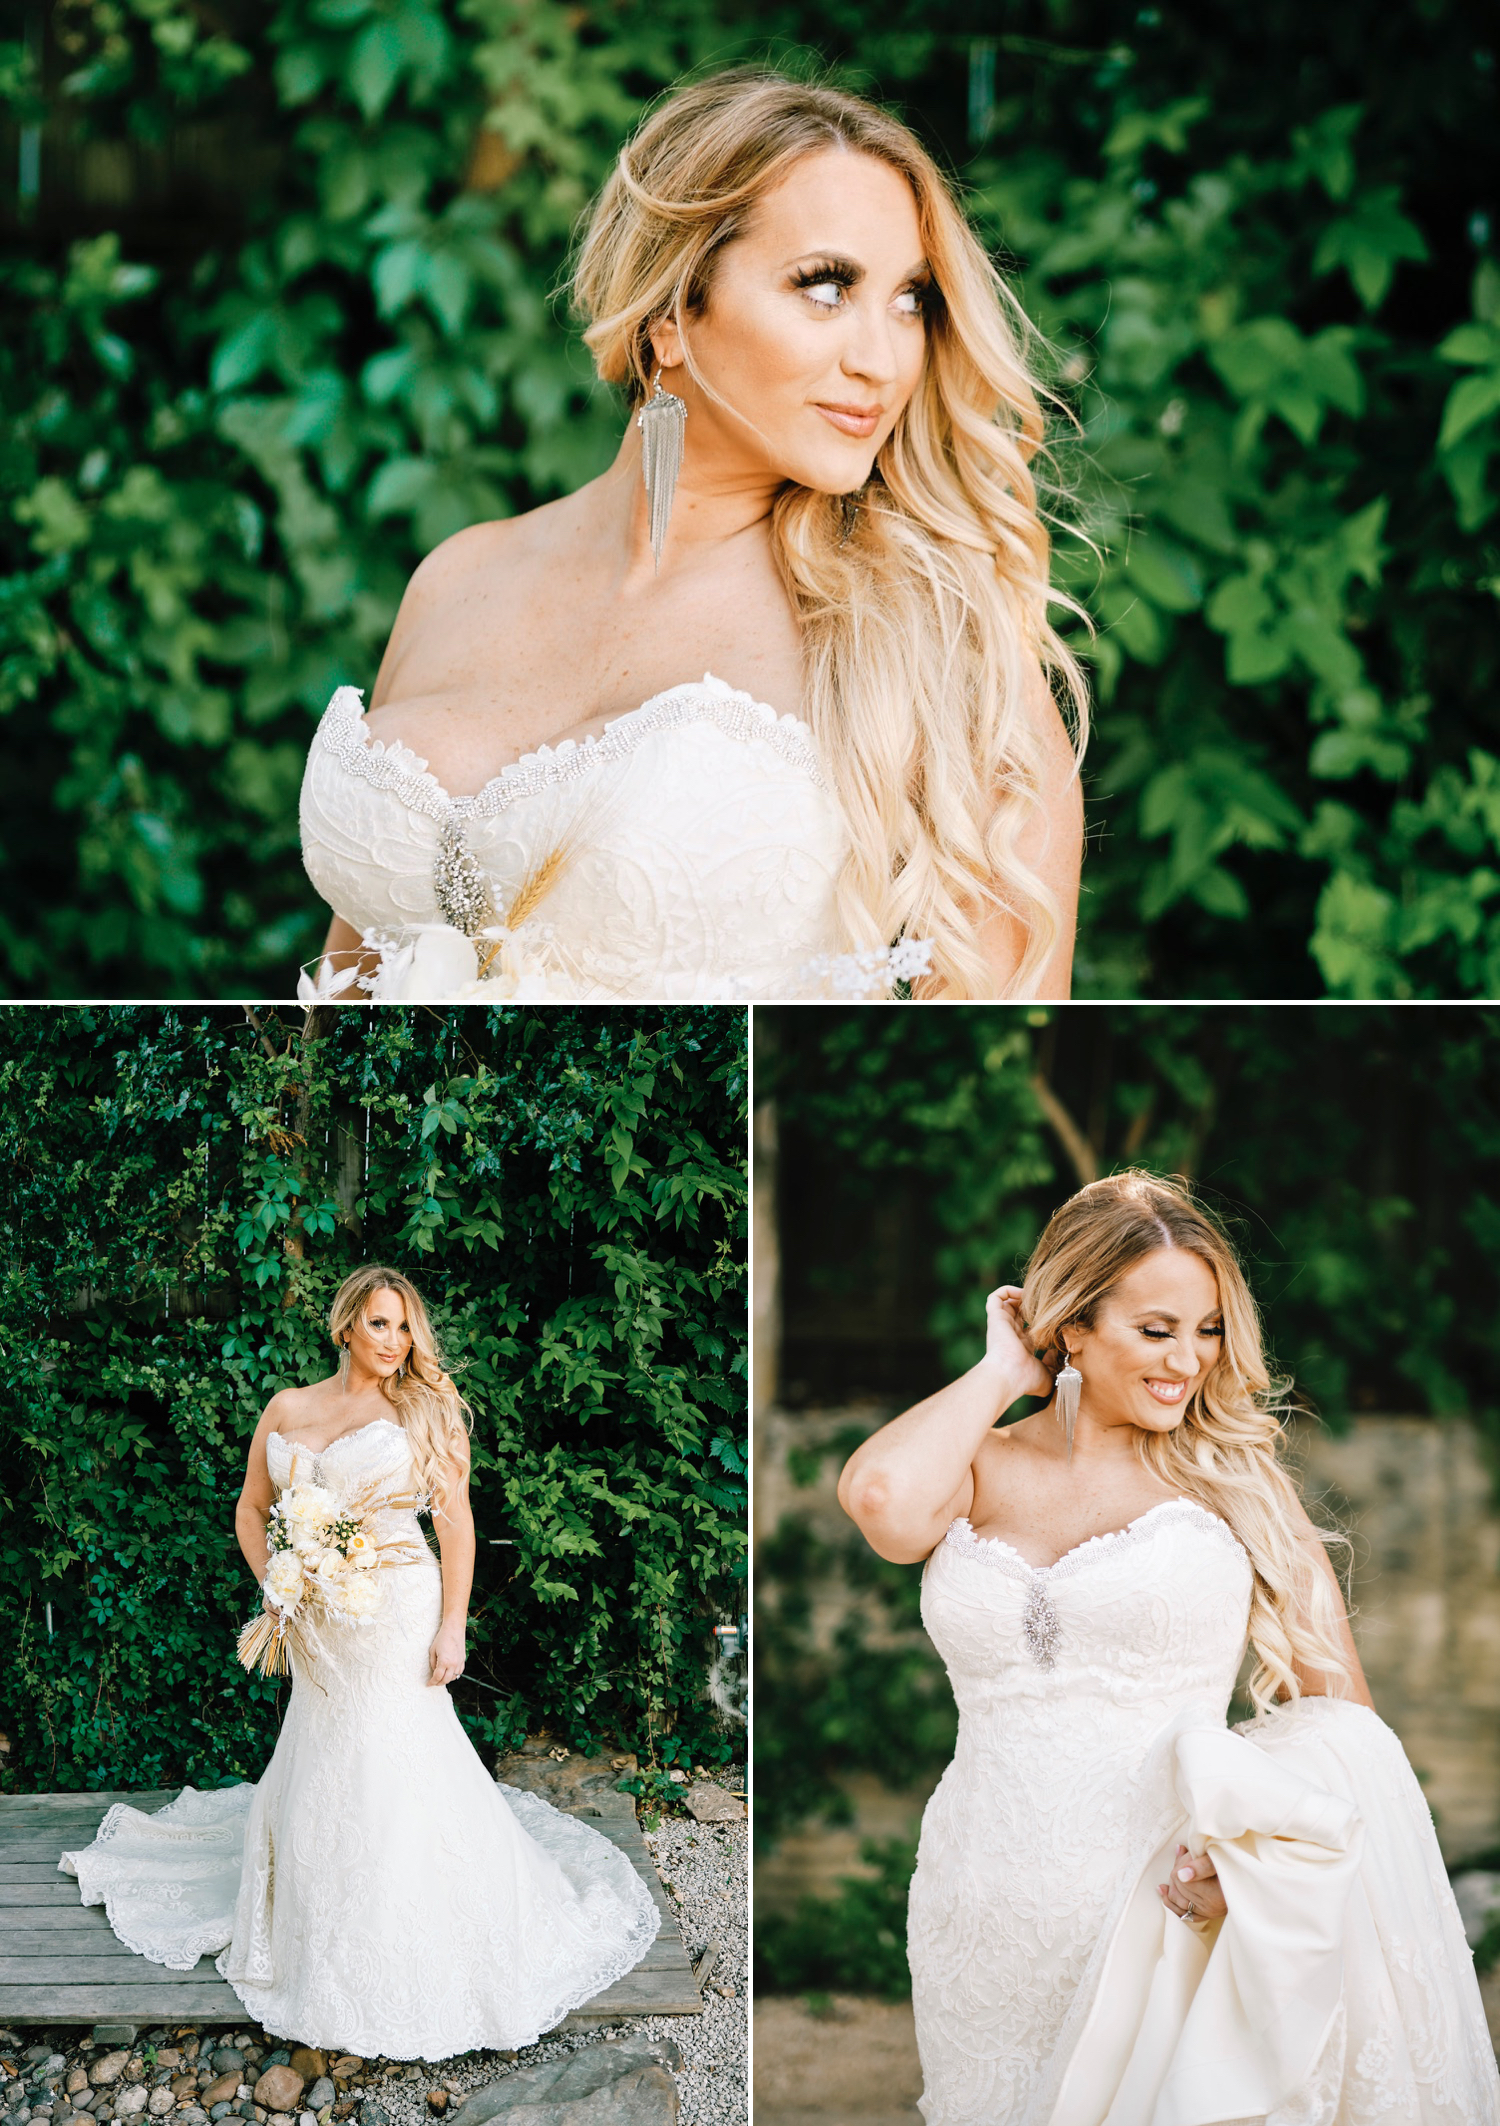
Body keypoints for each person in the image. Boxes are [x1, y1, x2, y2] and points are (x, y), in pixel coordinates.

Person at [298, 67, 1085, 1006]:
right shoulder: (456, 577)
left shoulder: (936, 638)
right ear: (671, 312)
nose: (881, 359)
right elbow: (348, 982)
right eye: (827, 287)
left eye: (910, 300)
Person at [837, 1172, 1499, 2126]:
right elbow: (880, 1506)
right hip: (981, 1904)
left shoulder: (1236, 1480)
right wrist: (997, 1375)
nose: (1188, 1360)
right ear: (1073, 1327)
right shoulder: (980, 1465)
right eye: (1157, 1330)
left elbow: (1343, 1718)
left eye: (1209, 1329)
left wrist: (1254, 1857)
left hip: (1167, 1901)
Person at [59, 1267, 659, 2059]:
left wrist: (453, 1628)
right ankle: (318, 1916)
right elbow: (249, 1507)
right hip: (314, 1620)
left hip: (395, 1612)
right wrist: (275, 1580)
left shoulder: (424, 1409)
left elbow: (458, 1529)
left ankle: (408, 1930)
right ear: (345, 1325)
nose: (394, 1342)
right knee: (327, 1756)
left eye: (404, 1327)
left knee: (391, 1756)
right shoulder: (288, 1408)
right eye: (380, 1324)